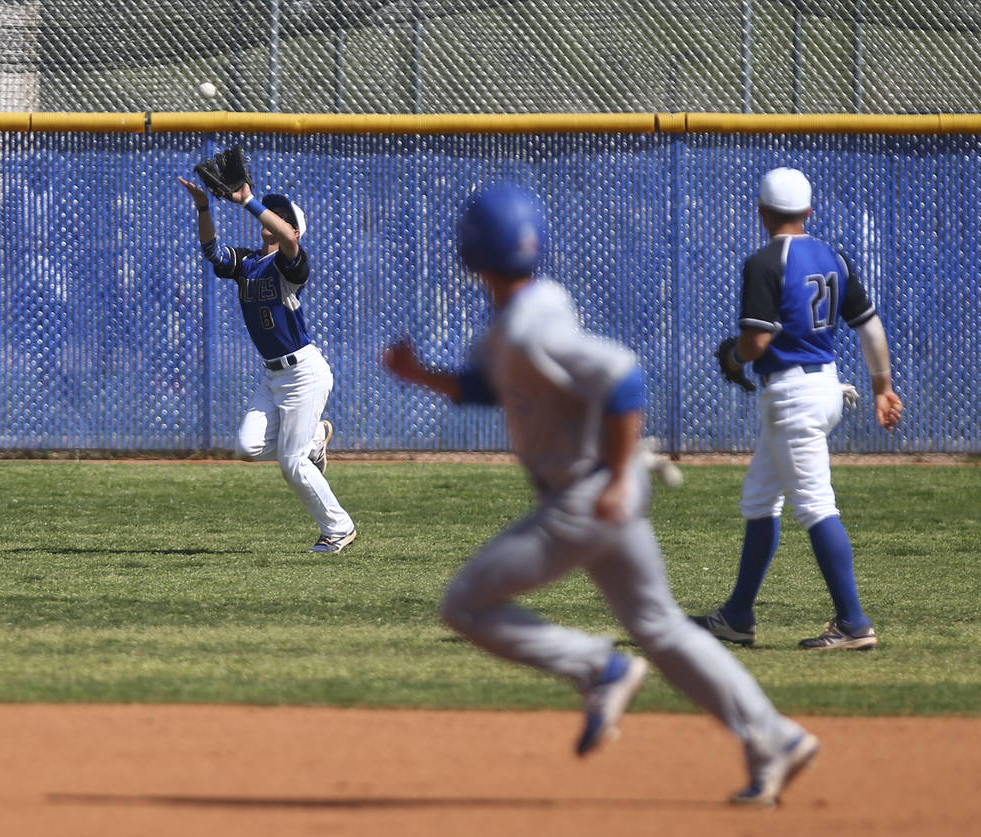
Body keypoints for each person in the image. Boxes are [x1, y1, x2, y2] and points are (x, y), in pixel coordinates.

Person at [383, 182, 818, 806]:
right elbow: (489, 385)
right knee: (661, 627)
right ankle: (772, 737)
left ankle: (600, 668)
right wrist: (421, 374)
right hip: (600, 494)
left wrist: (616, 477)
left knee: (465, 606)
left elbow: (621, 377)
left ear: (470, 254)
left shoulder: (530, 328)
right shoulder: (525, 315)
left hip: (585, 499)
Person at [693, 167, 903, 650]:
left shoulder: (766, 260)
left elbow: (758, 338)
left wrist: (732, 355)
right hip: (825, 386)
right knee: (760, 499)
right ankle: (737, 616)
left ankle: (853, 623)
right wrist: (882, 387)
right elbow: (868, 327)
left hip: (791, 397)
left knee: (814, 507)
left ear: (762, 213)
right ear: (809, 211)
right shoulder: (833, 256)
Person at [176, 173, 356, 553]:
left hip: (304, 373)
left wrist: (248, 201)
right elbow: (212, 252)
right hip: (272, 375)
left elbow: (289, 240)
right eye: (268, 212)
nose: (269, 218)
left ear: (293, 229)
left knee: (291, 464)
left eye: (279, 215)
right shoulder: (248, 262)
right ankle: (313, 440)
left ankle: (338, 528)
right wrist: (204, 208)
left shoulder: (292, 266)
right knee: (246, 447)